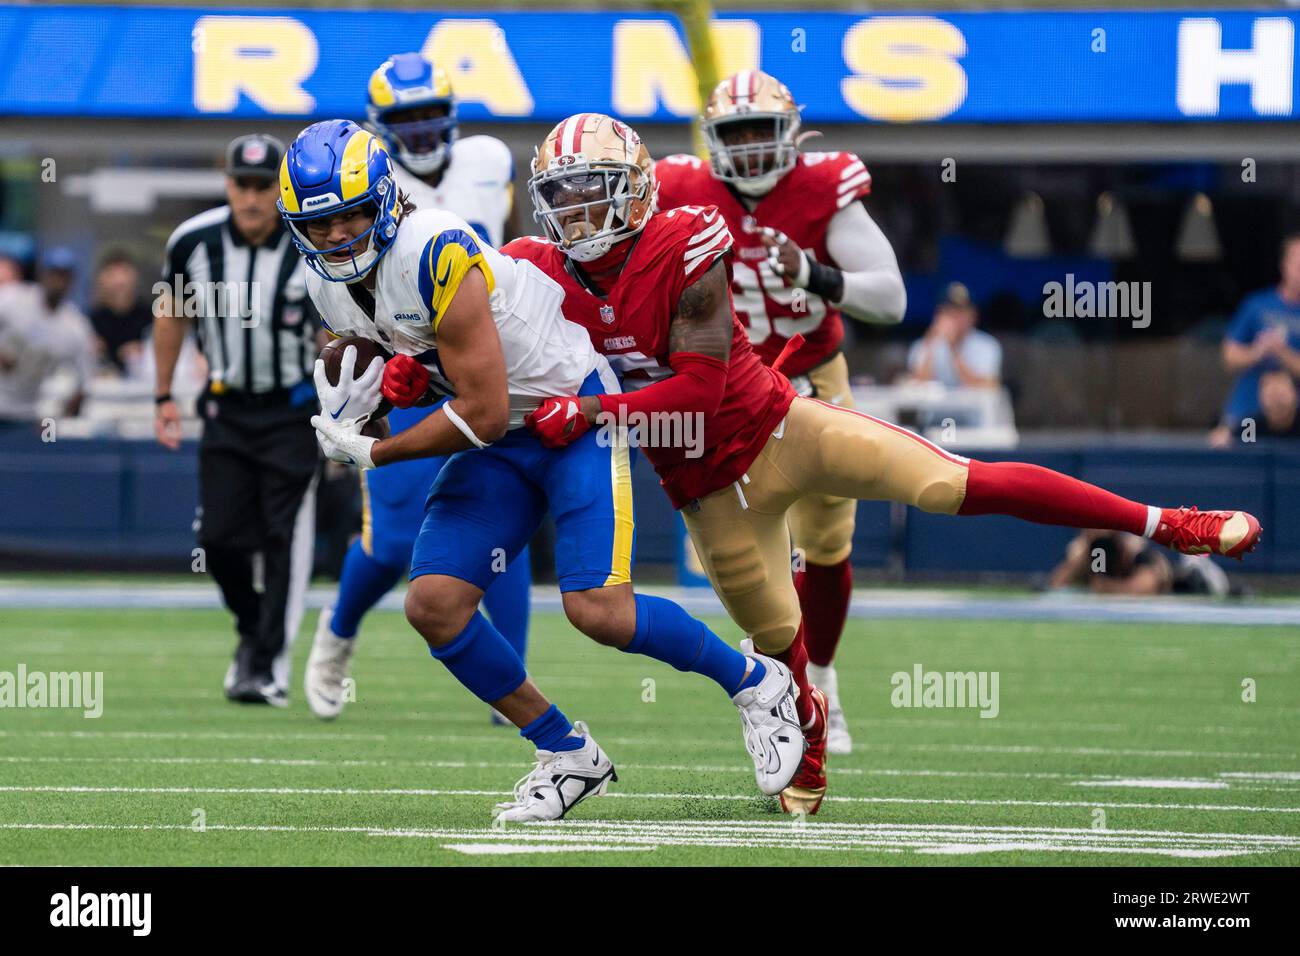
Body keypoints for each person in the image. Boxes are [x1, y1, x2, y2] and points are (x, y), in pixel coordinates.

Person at [510, 112, 1263, 817]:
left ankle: (1170, 522)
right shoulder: (534, 273)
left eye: (593, 192)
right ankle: (805, 721)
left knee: (953, 481)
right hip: (707, 495)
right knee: (781, 655)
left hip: (781, 425)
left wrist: (593, 411)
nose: (577, 213)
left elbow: (702, 392)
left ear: (636, 190)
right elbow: (467, 325)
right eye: (561, 197)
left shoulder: (686, 238)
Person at [286, 119, 804, 823]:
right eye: (317, 225)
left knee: (598, 611)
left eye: (348, 215)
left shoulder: (435, 248)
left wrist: (374, 452)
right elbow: (406, 379)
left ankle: (755, 681)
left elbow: (484, 412)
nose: (335, 237)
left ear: (384, 201)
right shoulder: (328, 291)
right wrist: (366, 405)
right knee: (432, 606)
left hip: (567, 415)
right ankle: (565, 753)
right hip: (501, 434)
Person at [655, 70, 906, 757]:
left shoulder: (826, 188)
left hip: (809, 377)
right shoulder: (679, 187)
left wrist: (816, 277)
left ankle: (821, 678)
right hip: (721, 389)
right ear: (712, 141)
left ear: (791, 133)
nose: (750, 149)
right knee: (744, 549)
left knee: (826, 540)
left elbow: (890, 299)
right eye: (734, 135)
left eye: (760, 132)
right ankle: (783, 685)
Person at [302, 52, 528, 722]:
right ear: (381, 126)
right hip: (406, 376)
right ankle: (338, 630)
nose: (422, 129)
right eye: (406, 117)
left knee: (505, 525)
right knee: (396, 541)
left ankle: (506, 687)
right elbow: (341, 305)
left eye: (431, 113)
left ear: (452, 114)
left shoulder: (487, 161)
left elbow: (508, 253)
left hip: (487, 359)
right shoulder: (358, 182)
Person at [154, 133, 321, 707]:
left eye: (262, 185)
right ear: (227, 185)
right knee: (219, 540)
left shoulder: (310, 242)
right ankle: (251, 631)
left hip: (293, 413)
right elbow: (171, 314)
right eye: (241, 185)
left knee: (280, 541)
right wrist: (162, 394)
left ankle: (265, 664)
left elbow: (338, 327)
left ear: (279, 188)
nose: (251, 197)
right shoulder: (193, 242)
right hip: (225, 409)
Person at [0, 246, 96, 431]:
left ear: (71, 280)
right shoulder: (12, 298)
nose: (57, 281)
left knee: (37, 455)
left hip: (32, 412)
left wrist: (54, 418)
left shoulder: (75, 326)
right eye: (53, 273)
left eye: (63, 275)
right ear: (42, 274)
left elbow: (83, 383)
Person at [1219, 232, 1300, 428]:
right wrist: (1258, 351)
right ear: (1284, 265)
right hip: (1246, 414)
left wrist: (1282, 352)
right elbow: (1228, 357)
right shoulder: (1256, 304)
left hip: (1293, 422)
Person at [1050, 530, 1229, 597]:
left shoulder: (1138, 553)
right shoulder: (1092, 553)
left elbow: (1144, 587)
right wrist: (1082, 556)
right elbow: (1057, 584)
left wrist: (1105, 587)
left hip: (1193, 583)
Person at [908, 282, 1002, 389]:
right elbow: (916, 385)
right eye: (948, 311)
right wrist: (931, 342)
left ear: (973, 315)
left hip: (971, 406)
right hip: (936, 406)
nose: (954, 317)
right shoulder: (924, 344)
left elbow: (988, 386)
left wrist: (953, 349)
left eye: (960, 312)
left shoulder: (987, 345)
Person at [88, 250, 153, 376]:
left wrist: (147, 351)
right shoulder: (90, 321)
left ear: (135, 277)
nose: (119, 282)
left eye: (125, 274)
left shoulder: (151, 317)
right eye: (112, 275)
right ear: (101, 280)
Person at [1210, 369, 1300, 445]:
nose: (1276, 403)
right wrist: (1225, 438)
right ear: (1260, 397)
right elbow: (1233, 444)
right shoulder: (1250, 426)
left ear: (1295, 395)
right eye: (1270, 395)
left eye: (1281, 395)